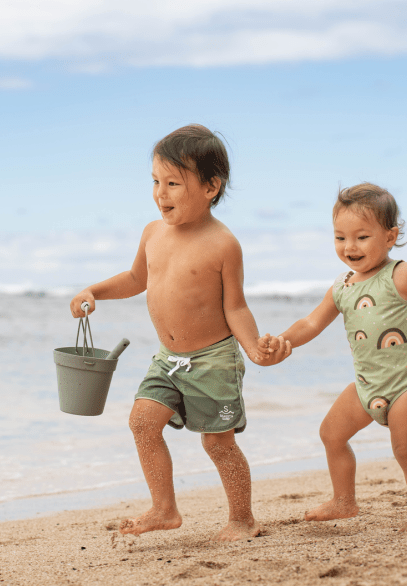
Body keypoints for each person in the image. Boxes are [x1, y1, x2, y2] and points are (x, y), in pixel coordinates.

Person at [257, 182, 407, 533]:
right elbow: (311, 322)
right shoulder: (342, 286)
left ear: (390, 236)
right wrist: (283, 340)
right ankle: (344, 501)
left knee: (406, 449)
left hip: (405, 384)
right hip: (366, 386)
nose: (349, 247)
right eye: (340, 238)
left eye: (361, 237)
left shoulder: (402, 274)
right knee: (331, 434)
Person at [70, 124, 270, 542]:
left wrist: (253, 347)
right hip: (168, 359)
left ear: (211, 186)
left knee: (218, 444)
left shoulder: (222, 244)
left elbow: (235, 305)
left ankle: (242, 519)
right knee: (142, 422)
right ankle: (164, 509)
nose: (161, 193)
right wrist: (95, 292)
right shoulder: (152, 233)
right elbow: (134, 278)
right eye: (156, 182)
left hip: (214, 359)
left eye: (174, 183)